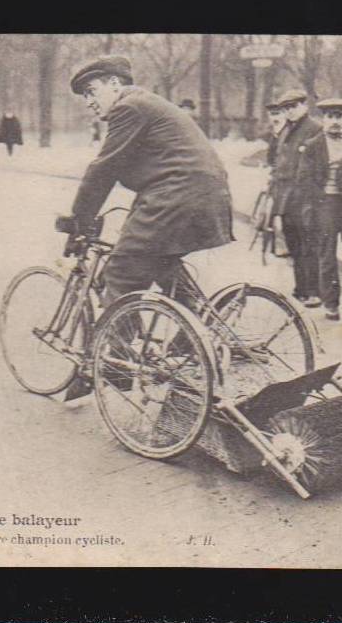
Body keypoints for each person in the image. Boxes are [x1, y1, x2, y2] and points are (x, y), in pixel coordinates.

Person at [62, 55, 233, 397]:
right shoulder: (147, 104)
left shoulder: (130, 108)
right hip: (198, 194)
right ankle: (192, 341)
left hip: (177, 196)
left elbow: (103, 170)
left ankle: (119, 364)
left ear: (115, 84)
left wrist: (78, 223)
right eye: (84, 96)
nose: (89, 101)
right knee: (160, 263)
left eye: (92, 90)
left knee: (121, 271)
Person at [295, 98, 342, 321]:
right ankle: (331, 304)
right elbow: (304, 180)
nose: (335, 122)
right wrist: (315, 206)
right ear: (323, 119)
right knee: (327, 255)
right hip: (325, 204)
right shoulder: (313, 145)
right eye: (330, 117)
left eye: (339, 116)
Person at [269, 88, 323, 307]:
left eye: (293, 106)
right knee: (293, 243)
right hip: (286, 197)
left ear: (304, 105)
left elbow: (319, 166)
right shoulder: (285, 131)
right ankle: (301, 288)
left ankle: (314, 291)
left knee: (309, 243)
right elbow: (279, 162)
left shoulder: (315, 129)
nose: (289, 112)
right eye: (286, 108)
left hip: (306, 197)